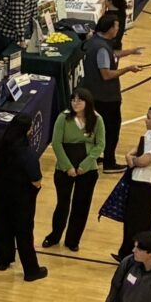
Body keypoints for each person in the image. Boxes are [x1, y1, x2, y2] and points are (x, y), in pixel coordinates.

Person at [0, 112, 48, 283]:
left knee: (0, 226)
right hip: (20, 198)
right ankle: (31, 270)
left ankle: (3, 261)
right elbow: (36, 179)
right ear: (27, 130)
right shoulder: (27, 153)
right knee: (23, 233)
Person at [44, 94, 106, 251]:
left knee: (81, 205)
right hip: (65, 168)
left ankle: (73, 240)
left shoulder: (97, 119)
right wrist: (67, 167)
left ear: (88, 102)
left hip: (88, 170)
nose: (76, 103)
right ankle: (54, 236)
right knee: (62, 204)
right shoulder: (63, 118)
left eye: (80, 100)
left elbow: (100, 145)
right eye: (73, 100)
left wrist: (85, 165)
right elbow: (56, 143)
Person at [115, 102, 151, 257]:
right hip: (139, 180)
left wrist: (133, 160)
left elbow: (145, 160)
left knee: (141, 221)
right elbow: (139, 147)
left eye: (149, 118)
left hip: (149, 184)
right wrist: (130, 155)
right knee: (132, 219)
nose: (145, 120)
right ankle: (127, 252)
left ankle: (141, 253)